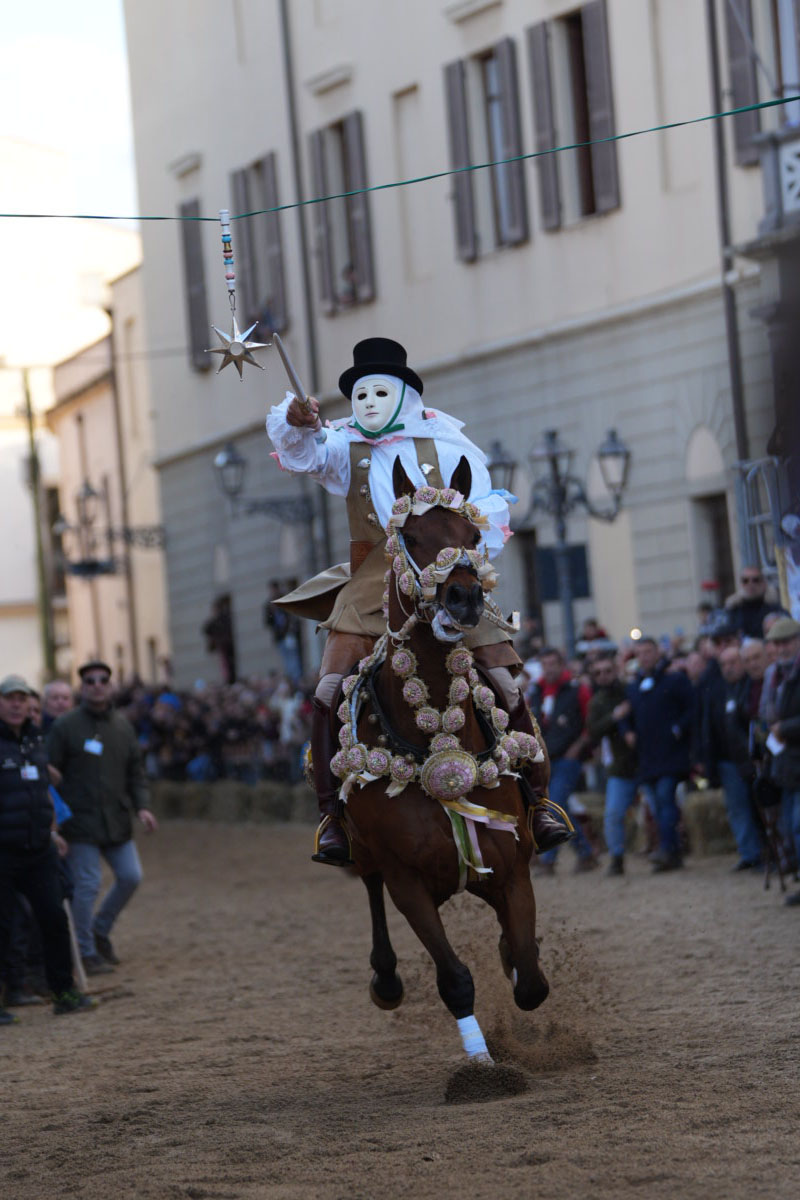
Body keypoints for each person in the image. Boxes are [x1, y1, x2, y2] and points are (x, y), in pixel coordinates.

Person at [266, 337, 569, 864]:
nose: (368, 404)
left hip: (447, 574)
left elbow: (486, 514)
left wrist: (465, 561)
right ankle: (331, 817)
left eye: (379, 392)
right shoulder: (342, 445)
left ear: (405, 395)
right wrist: (294, 420)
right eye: (359, 395)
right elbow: (303, 453)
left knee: (503, 682)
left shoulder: (452, 448)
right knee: (330, 686)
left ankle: (540, 803)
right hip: (371, 580)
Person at [46, 660, 158, 973]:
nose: (97, 685)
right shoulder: (65, 726)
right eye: (90, 681)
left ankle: (99, 930)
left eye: (103, 680)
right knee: (87, 884)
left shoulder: (123, 727)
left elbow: (136, 772)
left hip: (116, 820)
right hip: (79, 823)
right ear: (82, 687)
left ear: (110, 686)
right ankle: (85, 952)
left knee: (131, 876)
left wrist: (143, 807)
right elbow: (49, 772)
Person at [0, 674, 95, 1022]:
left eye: (22, 699)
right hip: (3, 850)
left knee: (54, 919)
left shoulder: (35, 741)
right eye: (9, 698)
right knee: (4, 926)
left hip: (39, 849)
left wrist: (52, 832)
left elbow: (43, 794)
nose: (16, 704)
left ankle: (64, 992)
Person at [626, 637, 693, 872]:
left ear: (657, 653)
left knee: (665, 799)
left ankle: (666, 849)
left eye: (648, 651)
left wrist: (678, 729)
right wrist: (627, 732)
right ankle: (672, 852)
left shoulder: (674, 680)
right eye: (639, 653)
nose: (644, 656)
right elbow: (626, 715)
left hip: (671, 756)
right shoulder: (634, 687)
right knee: (657, 806)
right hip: (647, 758)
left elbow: (693, 708)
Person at [527, 647, 597, 872]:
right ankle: (586, 853)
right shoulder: (536, 691)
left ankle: (549, 861)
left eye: (553, 664)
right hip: (543, 760)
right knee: (558, 806)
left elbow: (590, 723)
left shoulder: (578, 690)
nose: (549, 668)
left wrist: (578, 747)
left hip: (568, 758)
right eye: (545, 664)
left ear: (561, 664)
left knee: (553, 806)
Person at [586, 654, 638, 876]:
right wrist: (615, 717)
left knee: (658, 808)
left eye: (607, 671)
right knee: (613, 815)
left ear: (615, 670)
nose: (603, 676)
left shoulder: (631, 690)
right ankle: (617, 857)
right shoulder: (596, 702)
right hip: (619, 765)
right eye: (598, 673)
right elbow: (593, 731)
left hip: (644, 761)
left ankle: (668, 850)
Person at [713, 646, 763, 870]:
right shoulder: (718, 690)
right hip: (727, 759)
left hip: (752, 758)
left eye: (733, 662)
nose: (729, 668)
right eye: (723, 664)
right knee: (737, 808)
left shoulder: (751, 687)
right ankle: (749, 853)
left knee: (758, 806)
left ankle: (768, 853)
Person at [762, 618, 800, 904]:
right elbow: (767, 711)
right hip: (786, 761)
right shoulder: (774, 674)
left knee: (797, 824)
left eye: (786, 641)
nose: (781, 648)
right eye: (777, 643)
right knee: (788, 825)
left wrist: (783, 729)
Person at [725, 566, 782, 639]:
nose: (750, 584)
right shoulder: (733, 610)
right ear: (741, 584)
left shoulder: (774, 608)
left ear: (764, 583)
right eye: (745, 581)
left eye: (755, 580)